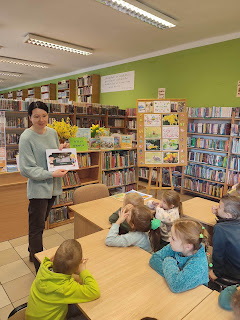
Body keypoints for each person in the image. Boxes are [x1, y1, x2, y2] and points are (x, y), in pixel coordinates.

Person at [19, 101, 68, 272]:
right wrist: (51, 174)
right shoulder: (26, 137)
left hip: (52, 187)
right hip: (38, 189)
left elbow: (51, 157)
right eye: (36, 116)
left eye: (44, 116)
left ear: (48, 116)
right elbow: (27, 169)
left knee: (42, 221)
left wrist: (61, 151)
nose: (41, 120)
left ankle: (32, 252)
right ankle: (41, 267)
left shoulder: (53, 132)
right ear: (29, 117)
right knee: (37, 228)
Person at [25, 239, 100, 320]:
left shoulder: (44, 266)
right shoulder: (65, 288)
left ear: (53, 258)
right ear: (77, 267)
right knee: (89, 315)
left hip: (31, 317)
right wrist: (83, 271)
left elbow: (67, 277)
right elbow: (94, 291)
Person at [149, 218, 209, 293]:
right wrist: (172, 277)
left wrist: (169, 260)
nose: (169, 239)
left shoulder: (198, 263)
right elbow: (154, 259)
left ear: (188, 246)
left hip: (197, 295)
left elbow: (176, 286)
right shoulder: (177, 246)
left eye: (173, 238)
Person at [210, 195, 240, 281]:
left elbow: (218, 254)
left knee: (208, 258)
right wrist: (218, 213)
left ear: (228, 215)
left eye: (219, 207)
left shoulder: (219, 228)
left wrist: (216, 273)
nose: (216, 207)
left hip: (234, 273)